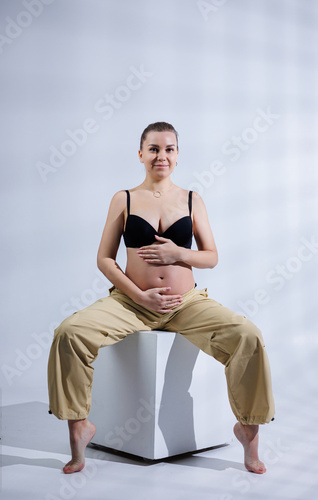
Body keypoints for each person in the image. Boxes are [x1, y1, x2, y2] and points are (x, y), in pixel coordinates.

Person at [47, 121, 275, 475]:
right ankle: (79, 427)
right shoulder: (122, 198)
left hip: (186, 303)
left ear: (178, 155)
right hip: (131, 303)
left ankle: (248, 431)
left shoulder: (191, 199)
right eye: (154, 149)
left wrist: (178, 255)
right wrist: (140, 295)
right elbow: (104, 259)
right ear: (141, 154)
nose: (161, 156)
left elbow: (211, 256)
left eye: (169, 149)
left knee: (249, 336)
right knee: (69, 333)